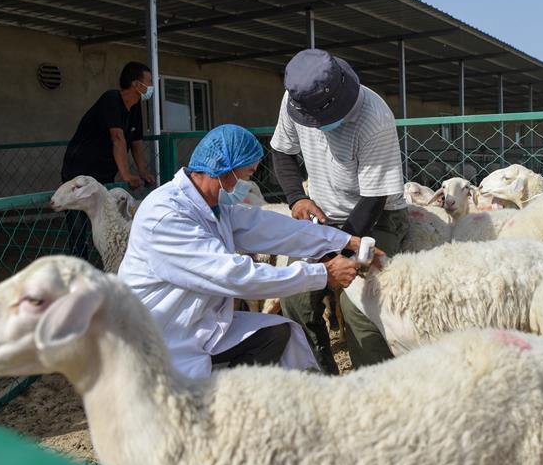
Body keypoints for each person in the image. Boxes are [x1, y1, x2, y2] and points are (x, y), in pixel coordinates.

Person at [117, 124, 370, 379]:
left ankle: (234, 392)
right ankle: (223, 396)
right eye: (246, 175)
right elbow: (234, 275)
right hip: (159, 334)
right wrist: (323, 274)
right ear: (223, 169)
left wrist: (344, 241)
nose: (247, 184)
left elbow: (270, 227)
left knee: (276, 333)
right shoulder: (167, 216)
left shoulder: (211, 208)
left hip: (195, 325)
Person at [271, 49, 409, 374]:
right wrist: (297, 199)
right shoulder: (296, 100)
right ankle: (320, 379)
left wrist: (336, 254)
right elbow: (281, 151)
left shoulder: (374, 118)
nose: (317, 128)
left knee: (359, 302)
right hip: (322, 216)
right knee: (294, 295)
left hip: (374, 218)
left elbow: (374, 199)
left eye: (322, 120)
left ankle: (375, 385)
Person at [60, 61, 157, 259]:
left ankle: (109, 258)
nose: (151, 86)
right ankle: (79, 262)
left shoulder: (135, 107)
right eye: (149, 81)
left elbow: (136, 142)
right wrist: (126, 174)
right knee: (78, 222)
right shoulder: (111, 99)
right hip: (79, 170)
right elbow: (117, 138)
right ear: (136, 84)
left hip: (103, 173)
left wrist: (142, 171)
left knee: (105, 219)